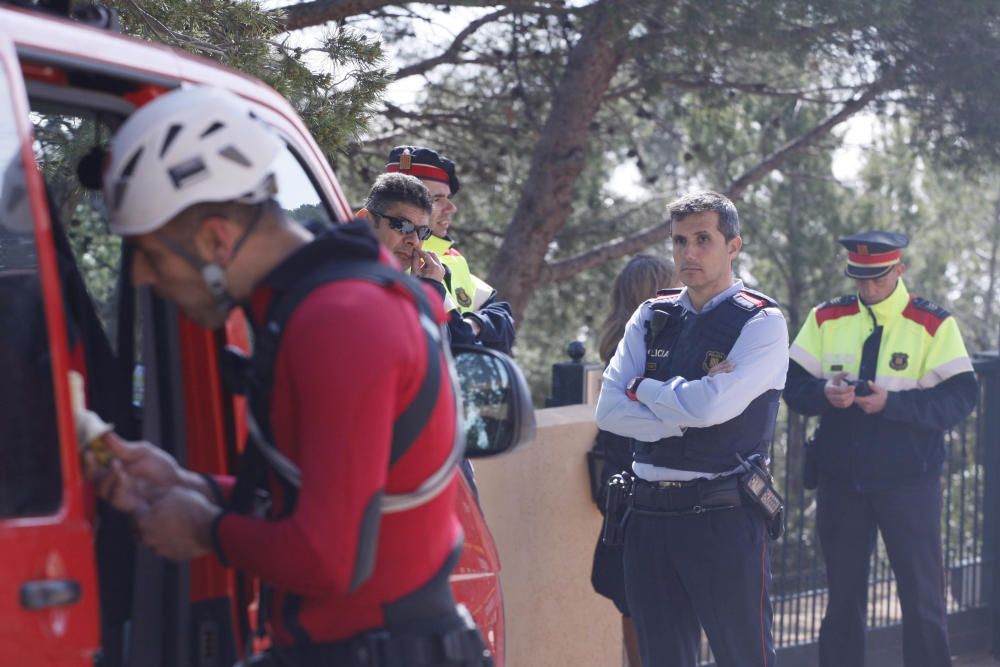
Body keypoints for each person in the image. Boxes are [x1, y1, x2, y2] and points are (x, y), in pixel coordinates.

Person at [88, 86, 492, 667]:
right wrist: (187, 485)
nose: (146, 279)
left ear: (216, 240)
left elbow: (328, 557)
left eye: (152, 256)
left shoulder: (340, 321)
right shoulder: (326, 302)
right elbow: (322, 501)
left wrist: (205, 527)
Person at [595, 191, 787, 667]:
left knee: (746, 656)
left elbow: (711, 407)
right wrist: (688, 408)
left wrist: (645, 388)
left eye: (703, 239)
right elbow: (609, 412)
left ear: (733, 246)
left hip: (723, 516)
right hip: (648, 517)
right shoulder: (651, 315)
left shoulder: (761, 320)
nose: (689, 253)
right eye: (680, 241)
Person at [784, 231, 978, 667]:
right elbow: (792, 385)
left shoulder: (933, 324)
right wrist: (822, 392)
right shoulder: (825, 317)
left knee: (923, 599)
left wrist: (894, 404)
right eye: (860, 279)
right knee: (842, 600)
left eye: (876, 279)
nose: (867, 289)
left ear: (898, 271)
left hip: (909, 483)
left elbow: (961, 397)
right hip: (841, 483)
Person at [589, 254, 677, 667]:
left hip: (623, 492)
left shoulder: (616, 348)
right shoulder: (651, 352)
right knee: (657, 606)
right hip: (649, 489)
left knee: (633, 604)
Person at [385, 146, 514, 354]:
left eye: (448, 197)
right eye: (436, 199)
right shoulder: (391, 259)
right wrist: (466, 332)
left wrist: (473, 325)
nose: (451, 208)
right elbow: (451, 343)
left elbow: (503, 319)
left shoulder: (451, 258)